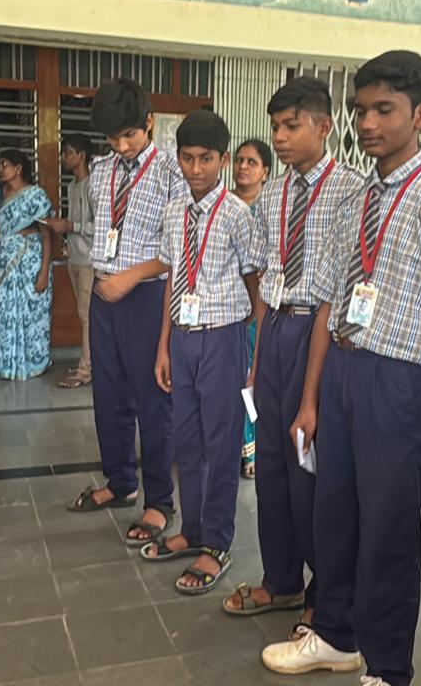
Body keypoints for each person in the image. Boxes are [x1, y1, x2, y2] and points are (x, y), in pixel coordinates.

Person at [262, 51, 421, 686]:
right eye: (360, 110)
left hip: (396, 381)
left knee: (388, 528)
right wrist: (312, 397)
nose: (367, 123)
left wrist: (416, 371)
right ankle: (336, 635)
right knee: (333, 514)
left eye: (384, 110)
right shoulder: (355, 198)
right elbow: (329, 302)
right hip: (340, 368)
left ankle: (388, 666)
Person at [222, 77, 366, 636]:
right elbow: (265, 280)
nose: (279, 138)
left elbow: (341, 287)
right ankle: (280, 577)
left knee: (313, 466)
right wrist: (257, 357)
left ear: (324, 127)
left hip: (319, 330)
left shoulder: (352, 191)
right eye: (275, 127)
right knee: (273, 466)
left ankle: (322, 590)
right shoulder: (275, 194)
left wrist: (312, 386)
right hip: (278, 327)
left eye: (291, 126)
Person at [140, 110, 266, 595]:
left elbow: (255, 285)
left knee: (220, 443)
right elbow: (174, 277)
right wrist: (163, 345)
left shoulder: (236, 214)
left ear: (223, 160)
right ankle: (192, 528)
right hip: (183, 336)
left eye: (206, 159)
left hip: (223, 337)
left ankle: (217, 541)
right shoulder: (174, 210)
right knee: (186, 442)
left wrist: (254, 356)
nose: (196, 169)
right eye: (188, 158)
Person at [66, 78, 188, 554]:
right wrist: (108, 280)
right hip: (105, 295)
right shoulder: (101, 170)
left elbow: (179, 250)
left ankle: (159, 501)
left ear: (150, 124)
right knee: (109, 396)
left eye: (130, 135)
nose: (121, 146)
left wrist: (130, 277)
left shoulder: (172, 173)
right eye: (113, 138)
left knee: (153, 403)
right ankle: (120, 482)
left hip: (146, 296)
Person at [0, 149, 54, 381]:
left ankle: (33, 363)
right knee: (6, 310)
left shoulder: (36, 195)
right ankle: (6, 364)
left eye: (4, 164)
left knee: (33, 311)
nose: (0, 169)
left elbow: (46, 235)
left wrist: (44, 271)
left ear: (18, 168)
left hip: (31, 258)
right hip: (5, 259)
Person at [232, 137, 273, 479]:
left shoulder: (269, 211)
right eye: (239, 160)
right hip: (226, 309)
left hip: (259, 310)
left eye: (252, 162)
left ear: (265, 171)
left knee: (252, 379)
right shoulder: (224, 205)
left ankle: (252, 449)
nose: (243, 167)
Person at [50, 135, 96, 390]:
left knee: (87, 316)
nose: (63, 158)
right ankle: (89, 363)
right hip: (75, 257)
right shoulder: (71, 186)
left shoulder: (93, 185)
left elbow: (101, 226)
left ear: (81, 155)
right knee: (84, 315)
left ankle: (85, 370)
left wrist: (70, 225)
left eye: (68, 152)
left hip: (90, 259)